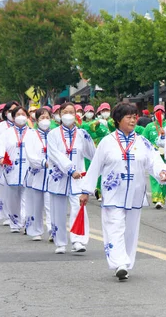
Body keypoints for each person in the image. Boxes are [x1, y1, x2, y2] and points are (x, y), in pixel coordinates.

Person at [79, 103, 166, 280]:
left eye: (134, 116)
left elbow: (153, 160)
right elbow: (95, 166)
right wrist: (86, 190)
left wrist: (162, 172)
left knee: (130, 230)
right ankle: (119, 263)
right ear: (118, 119)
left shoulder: (142, 141)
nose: (133, 120)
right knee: (115, 226)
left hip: (135, 193)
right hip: (113, 193)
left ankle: (126, 262)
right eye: (128, 117)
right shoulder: (108, 142)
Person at [46, 102, 96, 254]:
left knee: (78, 207)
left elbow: (92, 154)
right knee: (58, 210)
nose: (68, 115)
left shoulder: (82, 134)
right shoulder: (52, 134)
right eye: (65, 112)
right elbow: (55, 155)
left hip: (78, 178)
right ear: (59, 115)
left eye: (72, 112)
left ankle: (78, 240)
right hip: (58, 177)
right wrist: (70, 169)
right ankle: (60, 242)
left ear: (76, 115)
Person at [0, 106, 31, 233]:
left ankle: (27, 222)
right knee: (13, 199)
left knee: (27, 198)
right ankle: (15, 223)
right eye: (18, 114)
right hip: (11, 170)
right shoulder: (6, 133)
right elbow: (0, 147)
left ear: (27, 117)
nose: (21, 117)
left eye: (23, 114)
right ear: (13, 117)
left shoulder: (32, 133)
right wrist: (0, 158)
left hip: (28, 170)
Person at [23, 108, 53, 241]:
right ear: (36, 119)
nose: (45, 120)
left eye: (47, 117)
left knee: (51, 204)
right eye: (42, 118)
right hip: (37, 174)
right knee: (36, 204)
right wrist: (42, 162)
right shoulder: (31, 135)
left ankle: (53, 230)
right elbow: (30, 154)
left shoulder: (54, 134)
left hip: (52, 175)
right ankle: (36, 230)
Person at [0, 101, 20, 226]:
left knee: (17, 191)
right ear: (6, 112)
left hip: (18, 163)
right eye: (10, 111)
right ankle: (7, 215)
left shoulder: (24, 127)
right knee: (3, 190)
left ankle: (19, 214)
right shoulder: (0, 127)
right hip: (3, 163)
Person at [142, 105, 166, 209]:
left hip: (165, 155)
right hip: (153, 155)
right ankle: (157, 199)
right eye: (157, 112)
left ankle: (162, 198)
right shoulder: (149, 126)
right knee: (154, 176)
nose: (159, 114)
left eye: (161, 112)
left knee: (165, 175)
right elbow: (144, 139)